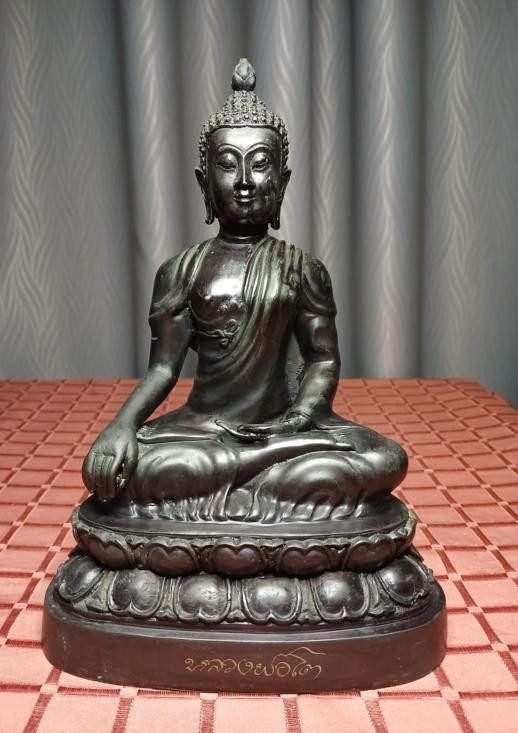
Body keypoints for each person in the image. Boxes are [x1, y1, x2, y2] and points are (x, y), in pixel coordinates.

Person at [81, 59, 407, 524]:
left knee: (384, 458)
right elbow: (163, 369)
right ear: (204, 182)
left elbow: (323, 359)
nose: (245, 182)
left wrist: (296, 420)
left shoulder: (303, 269)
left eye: (260, 164)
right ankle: (265, 491)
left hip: (283, 434)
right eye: (227, 165)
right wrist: (121, 426)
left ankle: (239, 485)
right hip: (202, 432)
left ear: (282, 182)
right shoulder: (181, 271)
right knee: (125, 469)